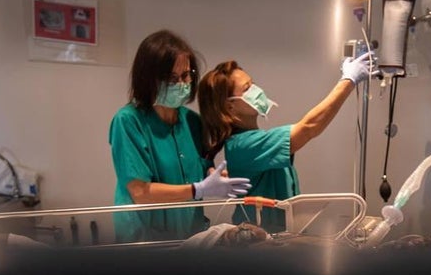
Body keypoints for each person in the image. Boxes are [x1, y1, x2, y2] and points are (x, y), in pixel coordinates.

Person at [197, 52, 376, 232]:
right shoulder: (243, 145)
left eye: (253, 83)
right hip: (259, 239)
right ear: (230, 106)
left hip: (278, 234)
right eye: (247, 88)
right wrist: (348, 81)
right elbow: (309, 127)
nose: (256, 90)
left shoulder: (251, 140)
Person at [108, 30, 251, 243]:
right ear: (147, 80)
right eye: (171, 79)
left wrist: (214, 177)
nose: (181, 84)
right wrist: (198, 189)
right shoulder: (129, 121)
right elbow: (140, 192)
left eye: (185, 76)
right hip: (144, 238)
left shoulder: (192, 122)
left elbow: (202, 166)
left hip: (189, 233)